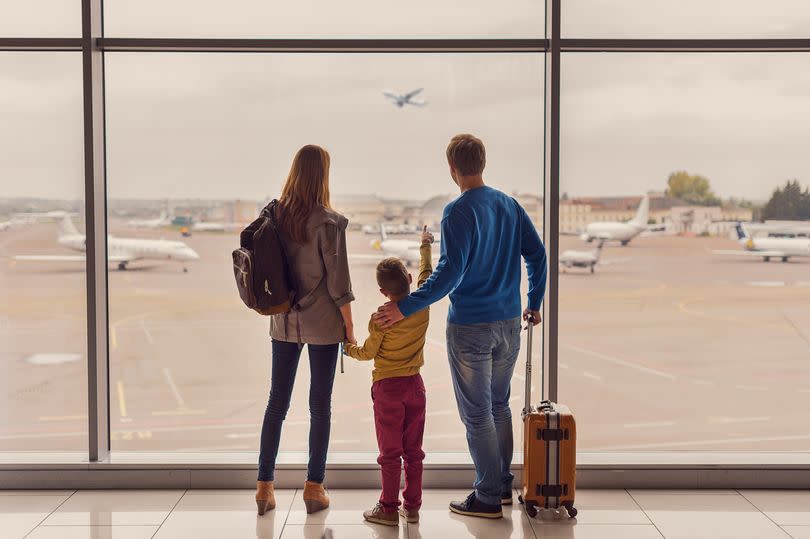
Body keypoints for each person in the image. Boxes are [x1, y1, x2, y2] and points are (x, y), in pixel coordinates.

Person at [374, 134, 547, 519]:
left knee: (477, 414)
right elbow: (537, 255)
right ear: (482, 163)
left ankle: (486, 497)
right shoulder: (509, 205)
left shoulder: (457, 211)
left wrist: (406, 307)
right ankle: (501, 485)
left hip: (471, 326)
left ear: (453, 169)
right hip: (508, 324)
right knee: (499, 405)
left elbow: (449, 274)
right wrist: (533, 302)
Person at [255, 145, 356, 516]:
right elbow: (338, 282)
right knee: (320, 406)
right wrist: (349, 325)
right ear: (323, 175)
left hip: (282, 320)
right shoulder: (330, 223)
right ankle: (314, 487)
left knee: (276, 403)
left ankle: (265, 487)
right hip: (324, 324)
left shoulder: (273, 215)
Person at [343, 226, 434, 527]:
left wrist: (349, 349)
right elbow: (427, 275)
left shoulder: (380, 318)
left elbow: (368, 352)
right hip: (415, 386)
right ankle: (413, 506)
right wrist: (425, 245)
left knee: (390, 453)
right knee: (414, 452)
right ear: (408, 280)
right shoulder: (422, 305)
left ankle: (388, 508)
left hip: (388, 389)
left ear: (383, 292)